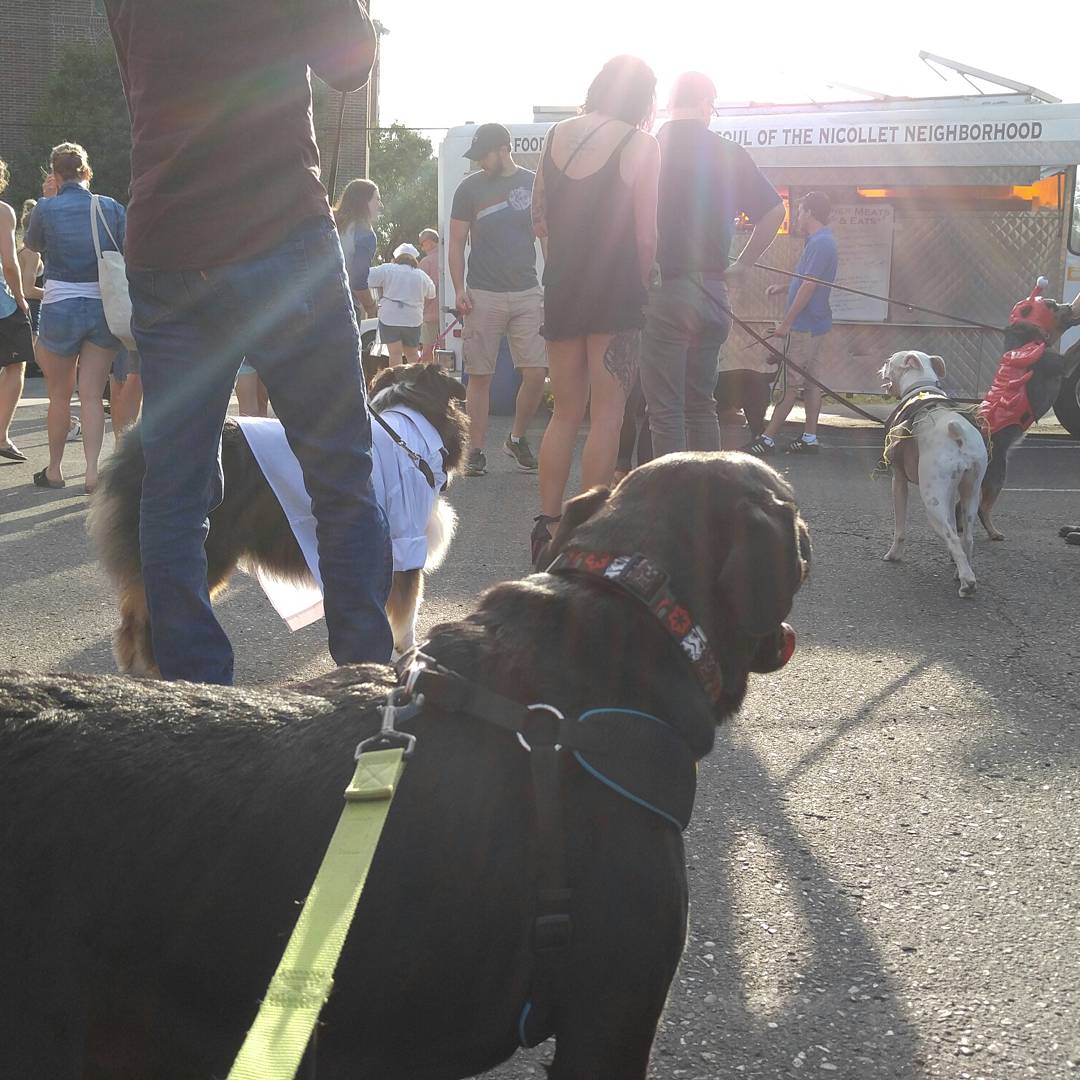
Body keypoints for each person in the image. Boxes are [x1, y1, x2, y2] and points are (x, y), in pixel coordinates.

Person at [103, 0, 393, 685]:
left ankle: (195, 691)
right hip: (279, 232)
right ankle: (365, 682)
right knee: (340, 474)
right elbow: (350, 62)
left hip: (168, 240)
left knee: (173, 489)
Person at [530, 55, 661, 561]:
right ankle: (587, 535)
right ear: (643, 99)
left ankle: (547, 526)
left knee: (564, 411)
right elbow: (646, 235)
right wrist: (641, 285)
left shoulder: (558, 133)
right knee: (607, 417)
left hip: (562, 286)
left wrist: (558, 269)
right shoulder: (641, 143)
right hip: (616, 290)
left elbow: (540, 219)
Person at [639, 72, 785, 458]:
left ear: (671, 103)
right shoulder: (729, 152)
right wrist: (743, 265)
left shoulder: (648, 149)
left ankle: (673, 503)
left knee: (666, 410)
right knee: (701, 404)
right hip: (714, 292)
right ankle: (708, 495)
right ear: (706, 104)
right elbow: (774, 211)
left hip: (664, 290)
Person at [23, 142, 125, 492]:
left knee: (59, 396)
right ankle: (93, 472)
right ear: (86, 171)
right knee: (94, 395)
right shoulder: (109, 207)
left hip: (59, 305)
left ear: (55, 173)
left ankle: (54, 470)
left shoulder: (46, 209)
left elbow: (35, 245)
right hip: (102, 306)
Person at [448, 122, 548, 476]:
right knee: (480, 375)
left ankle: (516, 438)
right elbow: (457, 242)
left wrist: (550, 282)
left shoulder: (533, 182)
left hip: (526, 290)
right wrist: (459, 288)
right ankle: (474, 451)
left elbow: (544, 233)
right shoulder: (469, 189)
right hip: (483, 291)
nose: (479, 163)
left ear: (503, 149)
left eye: (482, 156)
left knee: (536, 373)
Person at [746, 191, 838, 456]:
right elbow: (807, 279)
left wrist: (786, 324)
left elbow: (810, 286)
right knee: (811, 383)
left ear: (809, 212)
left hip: (805, 327)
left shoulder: (821, 243)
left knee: (789, 383)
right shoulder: (819, 241)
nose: (797, 216)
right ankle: (809, 438)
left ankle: (767, 439)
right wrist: (784, 287)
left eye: (799, 211)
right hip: (817, 325)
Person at [0, 159, 34, 464]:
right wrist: (21, 298)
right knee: (16, 366)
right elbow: (9, 264)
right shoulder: (3, 211)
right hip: (2, 304)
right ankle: (1, 435)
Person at [366, 242, 435, 366]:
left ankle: (397, 382)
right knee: (413, 354)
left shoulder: (388, 269)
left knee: (395, 354)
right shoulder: (421, 275)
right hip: (413, 319)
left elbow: (366, 277)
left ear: (397, 257)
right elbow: (432, 293)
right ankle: (415, 382)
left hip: (390, 318)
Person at [334, 177, 382, 318]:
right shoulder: (365, 234)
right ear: (364, 202)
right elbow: (358, 281)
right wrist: (371, 307)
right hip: (342, 306)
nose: (381, 205)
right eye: (377, 199)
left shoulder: (329, 222)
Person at [418, 227, 441, 362]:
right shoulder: (447, 257)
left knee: (427, 352)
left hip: (430, 314)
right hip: (450, 313)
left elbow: (421, 290)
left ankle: (429, 380)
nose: (421, 248)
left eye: (422, 244)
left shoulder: (426, 262)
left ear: (429, 242)